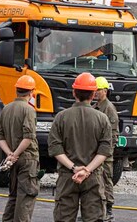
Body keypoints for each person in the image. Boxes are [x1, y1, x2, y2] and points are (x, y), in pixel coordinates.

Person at [49, 72, 112, 222]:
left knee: (63, 218)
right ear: (93, 94)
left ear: (73, 92)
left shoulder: (61, 117)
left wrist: (73, 168)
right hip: (93, 177)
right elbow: (104, 150)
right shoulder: (102, 119)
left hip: (67, 176)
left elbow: (55, 148)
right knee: (94, 218)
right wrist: (87, 170)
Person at [0, 75, 40, 222]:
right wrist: (16, 154)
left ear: (16, 90)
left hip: (12, 160)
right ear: (31, 92)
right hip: (27, 159)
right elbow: (28, 137)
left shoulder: (6, 109)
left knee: (13, 197)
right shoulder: (29, 110)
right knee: (26, 197)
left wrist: (10, 154)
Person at [94, 76, 119, 221]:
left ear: (105, 91)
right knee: (97, 182)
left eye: (99, 90)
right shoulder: (96, 107)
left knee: (106, 180)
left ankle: (108, 211)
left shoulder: (108, 108)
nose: (96, 92)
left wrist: (107, 152)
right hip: (96, 152)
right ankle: (98, 212)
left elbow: (113, 133)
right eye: (95, 90)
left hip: (104, 153)